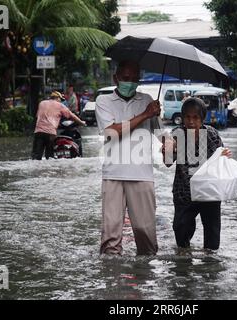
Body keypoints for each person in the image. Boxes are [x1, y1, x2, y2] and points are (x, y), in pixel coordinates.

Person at [95, 60, 162, 256]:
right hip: (113, 174)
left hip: (142, 174)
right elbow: (110, 132)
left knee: (146, 234)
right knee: (110, 236)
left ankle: (146, 276)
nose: (130, 83)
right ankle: (111, 278)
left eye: (135, 79)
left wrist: (170, 145)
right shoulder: (103, 101)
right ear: (116, 78)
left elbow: (161, 133)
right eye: (126, 78)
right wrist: (144, 115)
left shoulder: (148, 100)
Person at [162, 97, 232, 253]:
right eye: (187, 117)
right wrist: (167, 149)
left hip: (209, 191)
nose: (191, 121)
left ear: (203, 119)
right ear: (182, 118)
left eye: (195, 117)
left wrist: (225, 154)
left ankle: (209, 266)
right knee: (181, 231)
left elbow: (220, 156)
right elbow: (167, 162)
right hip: (184, 193)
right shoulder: (176, 135)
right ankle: (184, 260)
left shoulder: (212, 134)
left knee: (212, 239)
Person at [32, 90, 86, 160]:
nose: (61, 101)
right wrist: (82, 122)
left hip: (38, 132)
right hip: (50, 133)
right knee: (49, 157)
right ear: (57, 98)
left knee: (36, 156)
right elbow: (72, 116)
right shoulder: (60, 105)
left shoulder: (42, 103)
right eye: (60, 99)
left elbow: (38, 116)